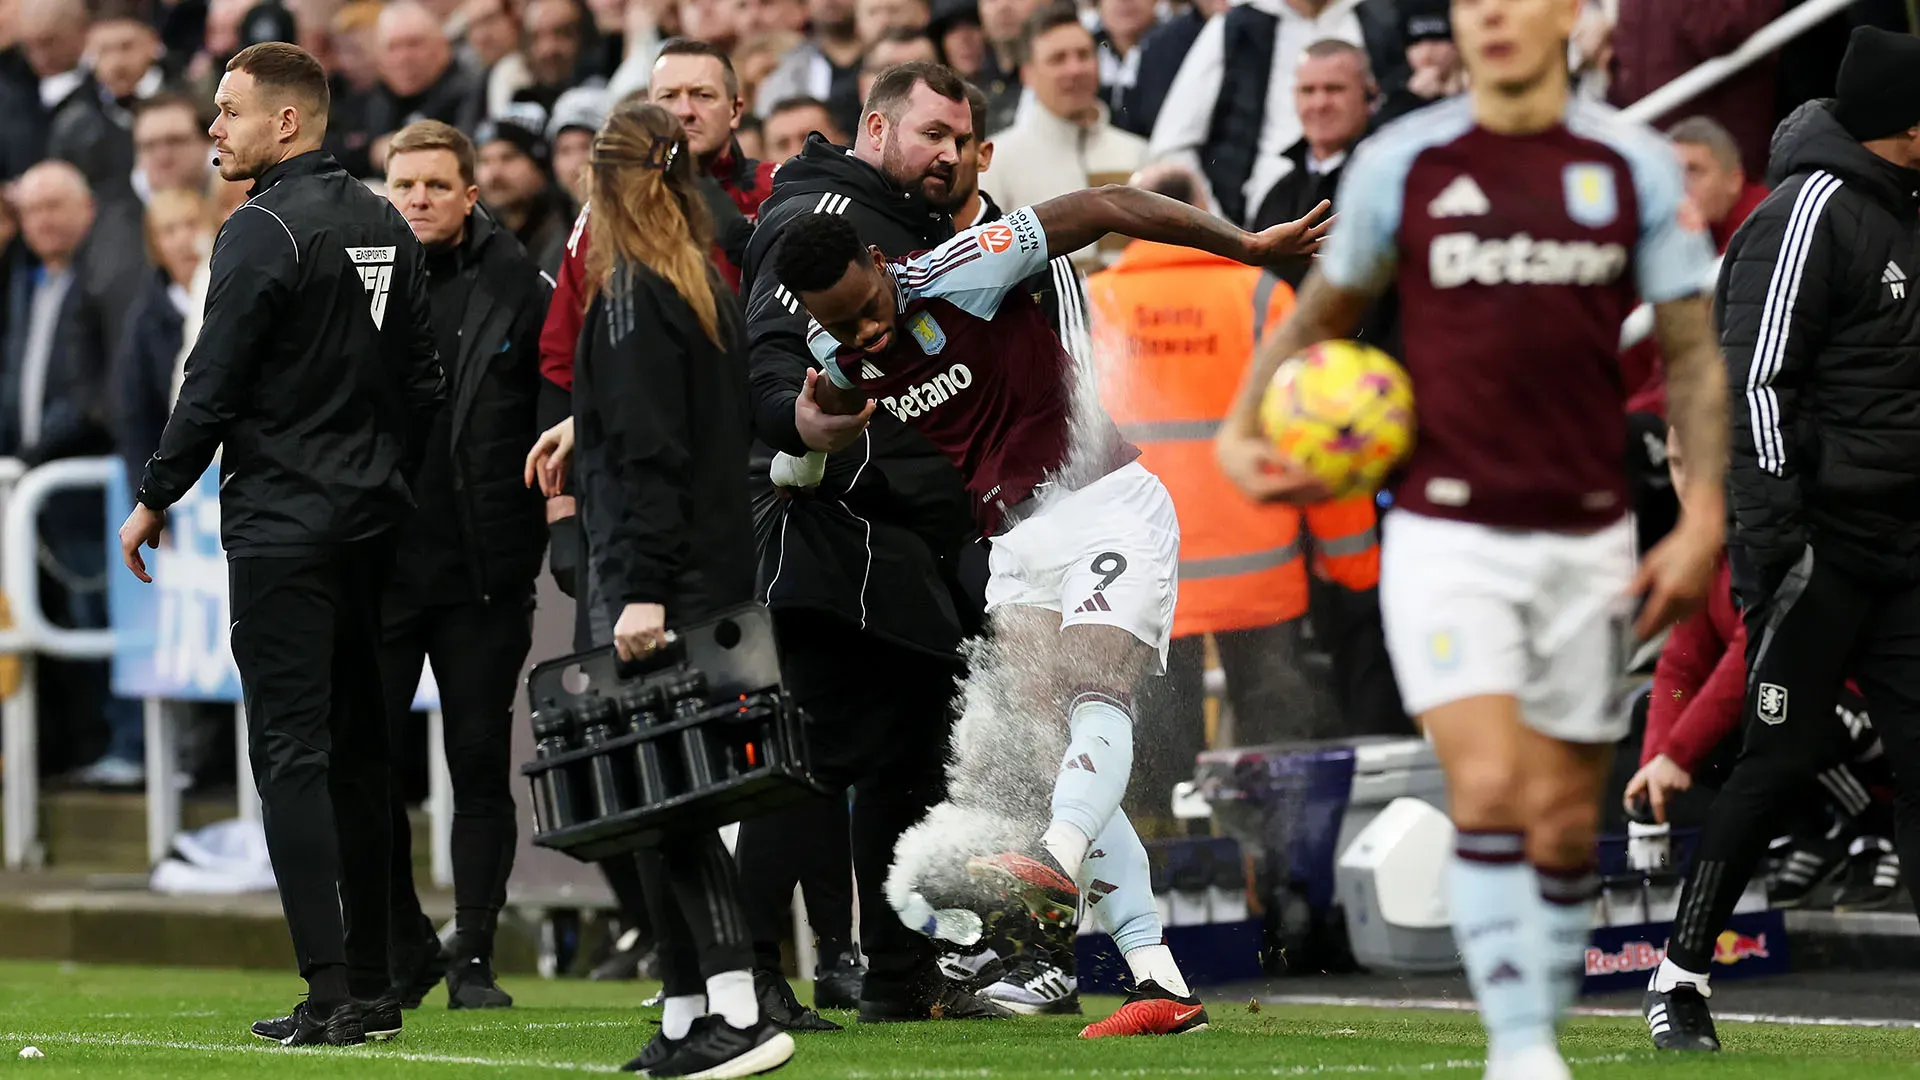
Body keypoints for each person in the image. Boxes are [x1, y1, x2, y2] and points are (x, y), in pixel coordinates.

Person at [1211, 0, 1730, 1074]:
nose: (1490, 16)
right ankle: (1522, 1049)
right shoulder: (1401, 163)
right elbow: (1317, 313)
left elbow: (1691, 353)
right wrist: (1242, 422)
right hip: (1446, 537)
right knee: (1488, 789)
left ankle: (1530, 1020)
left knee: (1552, 819)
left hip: (1589, 540)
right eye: (1469, 2)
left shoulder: (1629, 167)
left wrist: (1704, 519)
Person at [771, 181, 1328, 1036]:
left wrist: (1248, 246)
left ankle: (1050, 861)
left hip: (1107, 501)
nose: (864, 333)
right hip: (1015, 546)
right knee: (1065, 750)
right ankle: (1161, 984)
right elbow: (824, 417)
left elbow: (1106, 204)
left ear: (881, 264)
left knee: (1093, 693)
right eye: (842, 325)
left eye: (868, 310)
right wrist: (803, 452)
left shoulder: (966, 265)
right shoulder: (833, 346)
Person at [116, 41, 444, 1047]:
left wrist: (155, 492)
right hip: (374, 527)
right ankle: (382, 979)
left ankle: (331, 989)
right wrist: (386, 476)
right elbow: (424, 378)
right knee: (363, 754)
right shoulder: (382, 219)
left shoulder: (258, 229)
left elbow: (210, 381)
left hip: (284, 531)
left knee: (292, 755)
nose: (214, 127)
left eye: (228, 111)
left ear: (286, 122)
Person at [1641, 26, 1920, 1053]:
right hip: (1818, 551)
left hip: (1901, 547)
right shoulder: (1807, 211)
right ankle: (1679, 978)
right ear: (1909, 126)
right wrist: (1782, 547)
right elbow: (1754, 381)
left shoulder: (1906, 209)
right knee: (1779, 758)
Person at [733, 61, 1007, 1029]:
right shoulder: (817, 219)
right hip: (832, 531)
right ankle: (751, 977)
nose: (947, 154)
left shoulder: (944, 228)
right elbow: (766, 360)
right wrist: (799, 426)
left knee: (909, 769)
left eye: (960, 138)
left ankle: (901, 976)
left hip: (918, 545)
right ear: (876, 127)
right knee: (814, 759)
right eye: (930, 133)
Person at [539, 100, 796, 1080]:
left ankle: (734, 1008)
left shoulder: (633, 292)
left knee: (672, 804)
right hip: (708, 569)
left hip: (659, 580)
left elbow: (651, 456)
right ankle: (689, 1012)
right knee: (666, 796)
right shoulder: (695, 282)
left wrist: (641, 592)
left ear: (601, 183)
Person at [378, 119, 551, 1012]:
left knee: (479, 758)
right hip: (382, 566)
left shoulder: (521, 283)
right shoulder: (357, 278)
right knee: (365, 766)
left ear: (470, 193)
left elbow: (552, 403)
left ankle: (474, 952)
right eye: (403, 186)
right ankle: (408, 944)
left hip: (483, 569)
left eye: (436, 186)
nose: (417, 201)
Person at [981, 3, 1148, 269]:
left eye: (1083, 55)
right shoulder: (997, 162)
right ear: (1027, 74)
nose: (1075, 69)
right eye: (1058, 59)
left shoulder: (1139, 154)